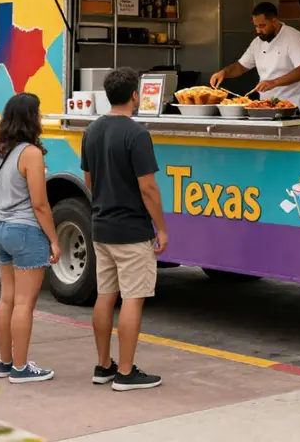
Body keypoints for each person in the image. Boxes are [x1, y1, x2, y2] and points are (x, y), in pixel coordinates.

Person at [81, 67, 168, 392]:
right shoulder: (137, 134)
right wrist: (162, 228)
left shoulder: (91, 130)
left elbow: (89, 179)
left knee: (106, 295)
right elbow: (148, 188)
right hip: (131, 229)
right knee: (133, 297)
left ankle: (103, 365)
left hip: (101, 227)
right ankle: (127, 372)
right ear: (135, 95)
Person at [0, 93, 60, 384]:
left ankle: (5, 362)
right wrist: (54, 239)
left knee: (7, 300)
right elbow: (40, 204)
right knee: (24, 304)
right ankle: (21, 367)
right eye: (39, 113)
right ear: (31, 118)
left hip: (1, 230)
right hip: (26, 231)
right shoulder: (31, 153)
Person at [210, 2, 300, 112]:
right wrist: (224, 73)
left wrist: (274, 83)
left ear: (274, 21)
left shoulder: (293, 37)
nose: (258, 31)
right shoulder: (257, 42)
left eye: (262, 26)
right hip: (265, 106)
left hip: (292, 107)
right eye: (256, 26)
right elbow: (241, 66)